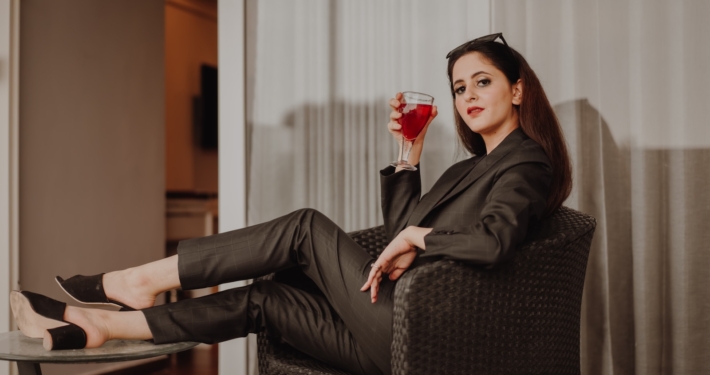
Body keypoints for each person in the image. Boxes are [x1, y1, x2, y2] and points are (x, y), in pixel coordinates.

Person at [10, 33, 571, 375]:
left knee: (303, 227)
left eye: (481, 82)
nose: (467, 97)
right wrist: (408, 155)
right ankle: (104, 326)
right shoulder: (471, 167)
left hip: (425, 331)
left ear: (517, 89)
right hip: (395, 332)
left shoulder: (525, 161)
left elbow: (494, 243)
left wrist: (418, 238)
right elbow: (400, 224)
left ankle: (137, 280)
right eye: (458, 88)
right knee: (264, 300)